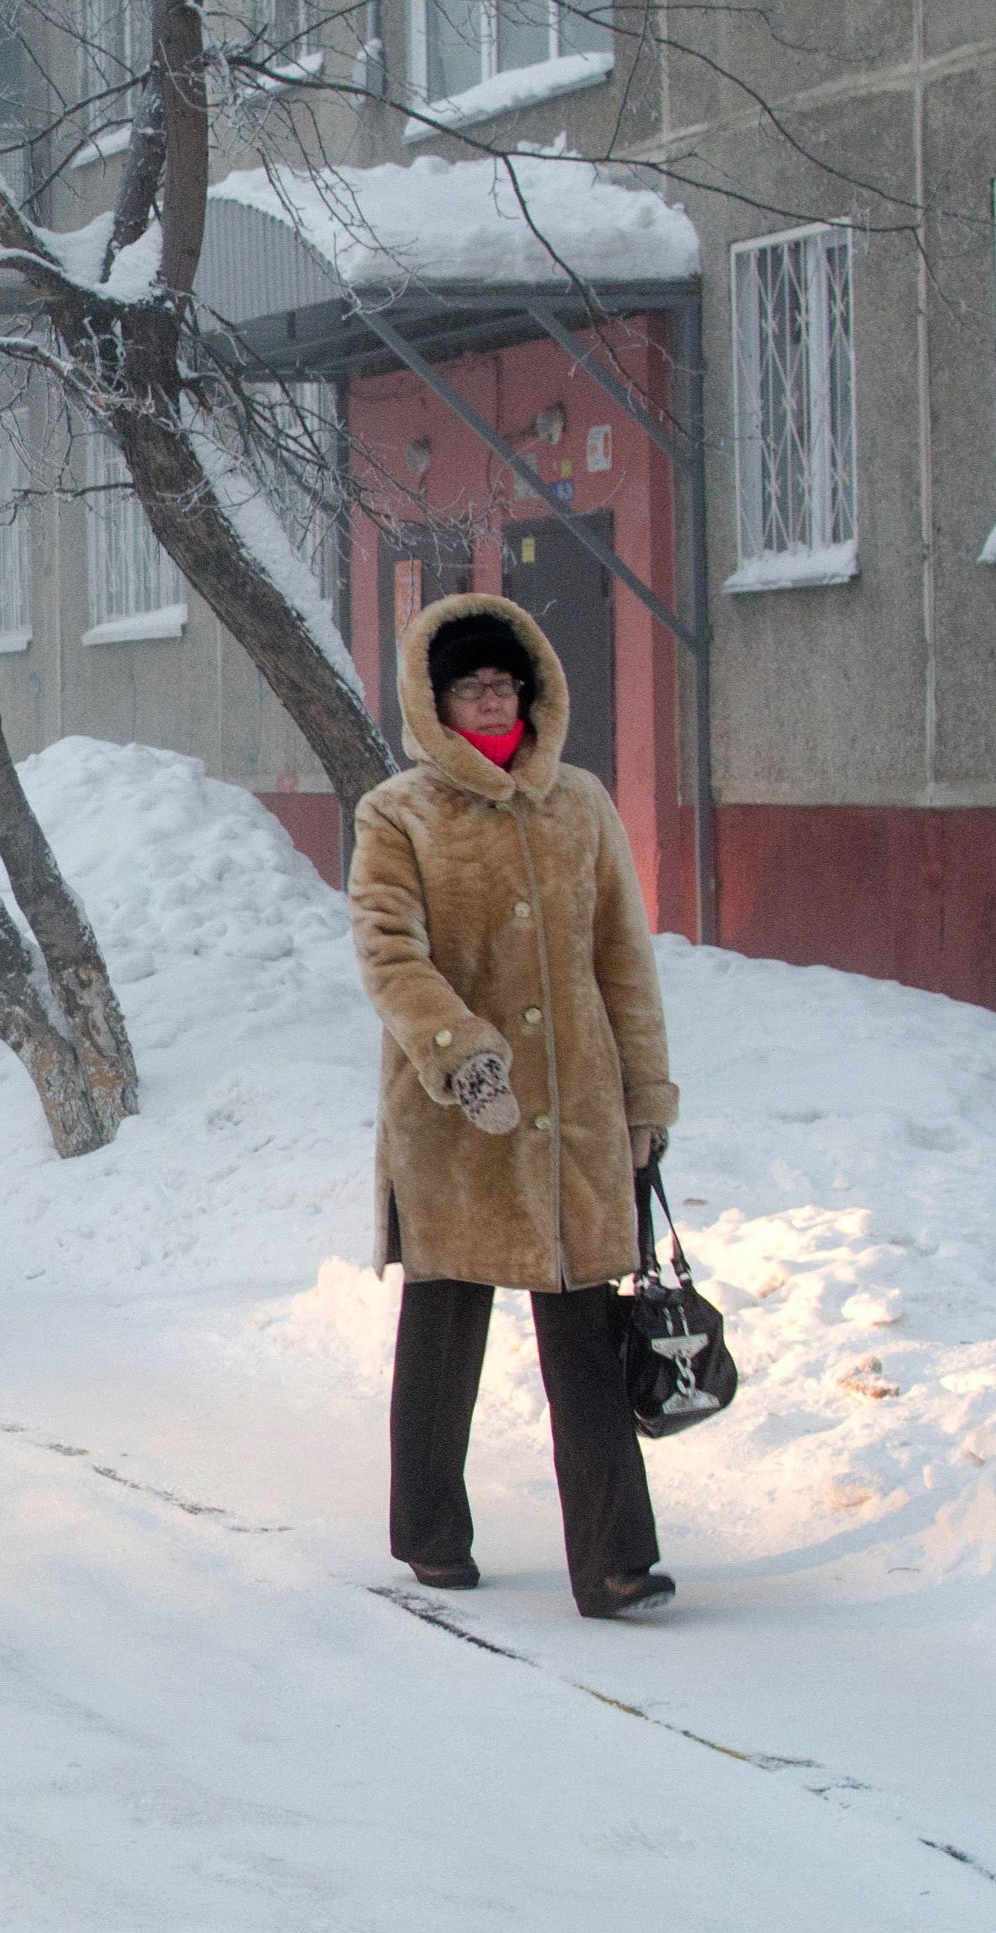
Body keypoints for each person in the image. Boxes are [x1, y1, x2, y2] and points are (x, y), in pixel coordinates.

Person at [350, 593, 681, 1622]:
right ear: (435, 704)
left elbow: (620, 956)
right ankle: (429, 1535)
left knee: (583, 1331)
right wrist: (463, 1057)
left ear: (530, 692)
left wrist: (642, 1092)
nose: (490, 698)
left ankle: (616, 1562)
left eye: (503, 682)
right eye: (469, 686)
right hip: (454, 1117)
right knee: (444, 1327)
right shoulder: (397, 813)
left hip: (574, 1110)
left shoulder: (578, 803)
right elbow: (386, 951)